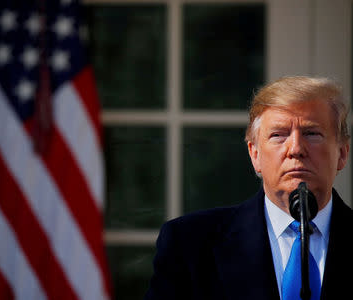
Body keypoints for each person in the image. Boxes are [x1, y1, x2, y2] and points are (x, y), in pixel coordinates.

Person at [144, 76, 353, 300]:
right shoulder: (189, 244)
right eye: (278, 135)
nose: (295, 149)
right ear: (255, 154)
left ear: (342, 153)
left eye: (312, 133)